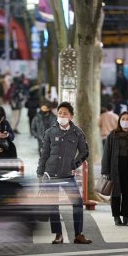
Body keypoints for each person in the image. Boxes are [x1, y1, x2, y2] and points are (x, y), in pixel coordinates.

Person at [36, 101, 91, 244]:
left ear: (71, 116)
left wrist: (75, 163)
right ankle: (58, 235)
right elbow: (44, 154)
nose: (61, 115)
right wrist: (40, 173)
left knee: (77, 203)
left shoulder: (77, 133)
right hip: (51, 174)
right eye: (59, 113)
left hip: (67, 175)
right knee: (53, 205)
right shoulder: (50, 132)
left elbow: (84, 152)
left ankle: (78, 234)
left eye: (65, 113)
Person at [102, 111, 128, 226]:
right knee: (115, 193)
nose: (125, 121)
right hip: (115, 166)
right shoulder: (113, 135)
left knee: (126, 193)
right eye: (123, 119)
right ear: (119, 121)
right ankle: (116, 217)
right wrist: (105, 170)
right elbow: (106, 154)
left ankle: (126, 217)